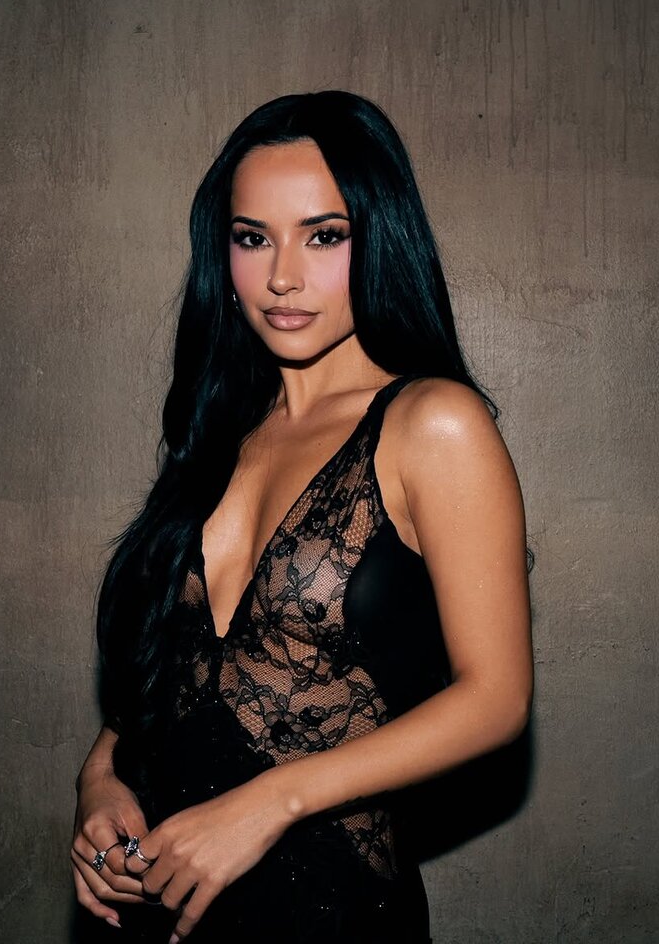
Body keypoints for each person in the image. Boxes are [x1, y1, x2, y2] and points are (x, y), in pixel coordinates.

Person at [70, 90, 534, 943]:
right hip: (158, 909)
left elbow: (496, 699)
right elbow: (173, 669)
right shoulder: (219, 429)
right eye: (253, 238)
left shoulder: (432, 424)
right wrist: (100, 780)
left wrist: (272, 802)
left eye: (324, 236)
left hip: (328, 914)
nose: (283, 275)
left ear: (379, 239)